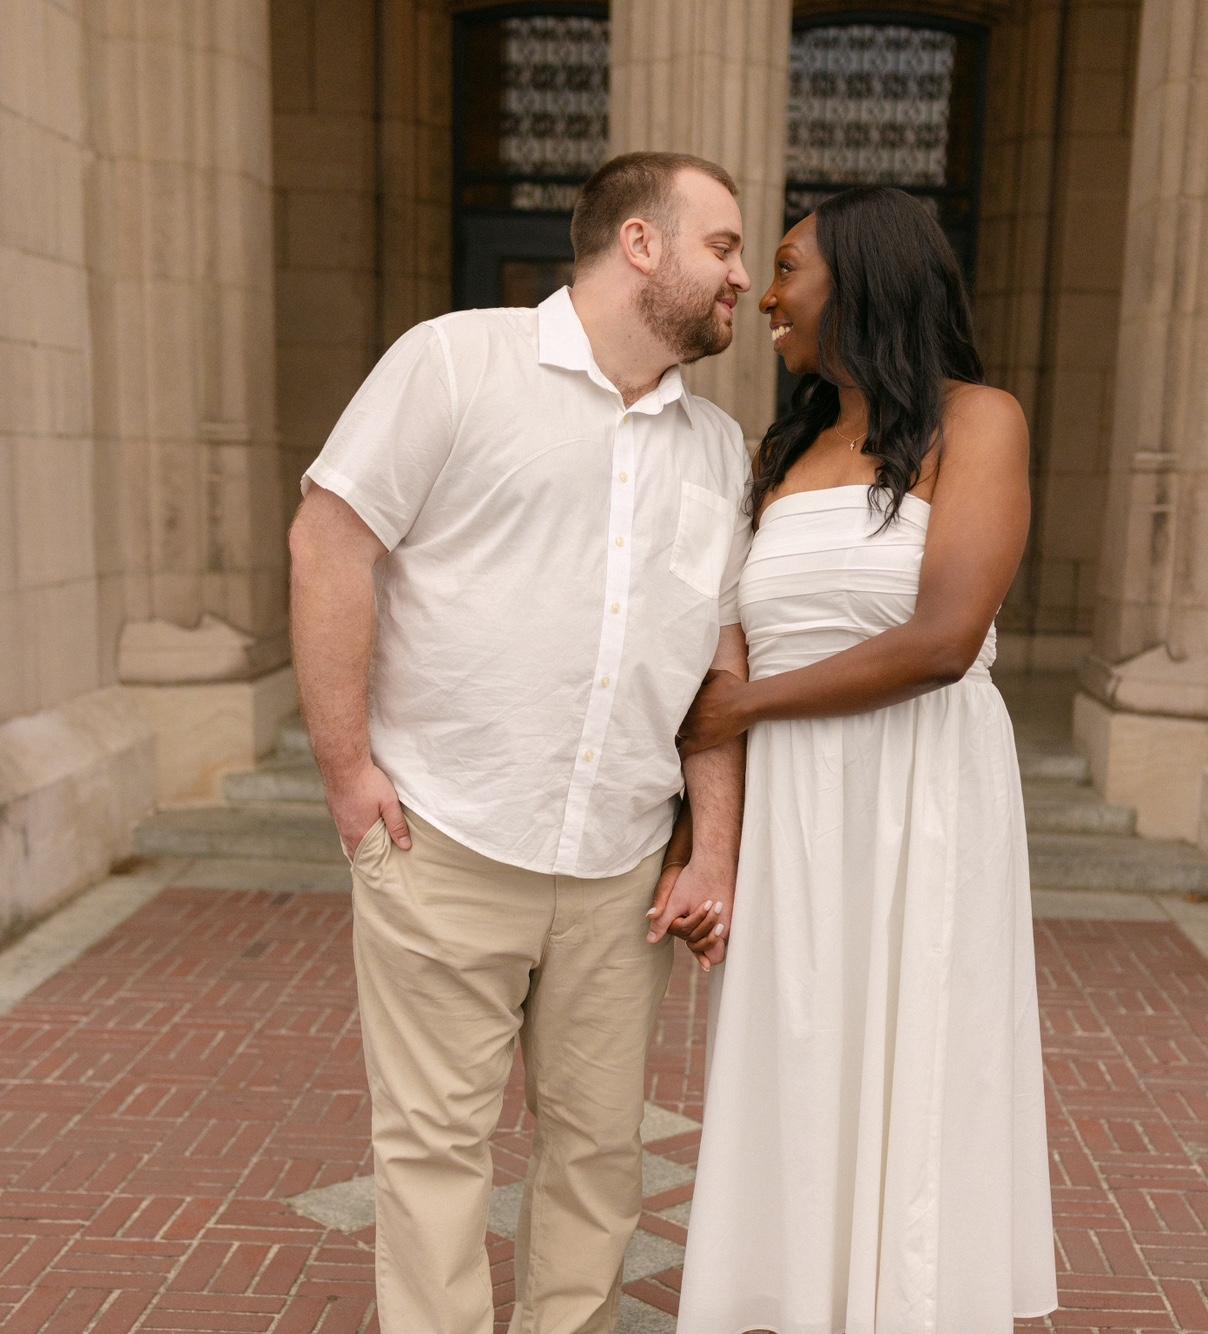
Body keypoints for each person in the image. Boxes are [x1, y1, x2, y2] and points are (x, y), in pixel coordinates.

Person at [288, 151, 752, 1334]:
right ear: (640, 243)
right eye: (722, 246)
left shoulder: (716, 446)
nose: (741, 277)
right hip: (444, 831)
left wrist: (712, 849)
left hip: (620, 865)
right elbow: (328, 542)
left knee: (598, 1151)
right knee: (435, 1148)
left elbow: (716, 664)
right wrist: (346, 772)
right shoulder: (452, 361)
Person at [668, 186, 1059, 1332]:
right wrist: (703, 842)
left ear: (867, 276)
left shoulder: (977, 421)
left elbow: (941, 641)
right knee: (800, 1059)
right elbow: (729, 644)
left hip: (919, 791)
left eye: (788, 268)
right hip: (794, 813)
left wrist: (742, 709)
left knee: (917, 1052)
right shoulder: (780, 450)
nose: (766, 296)